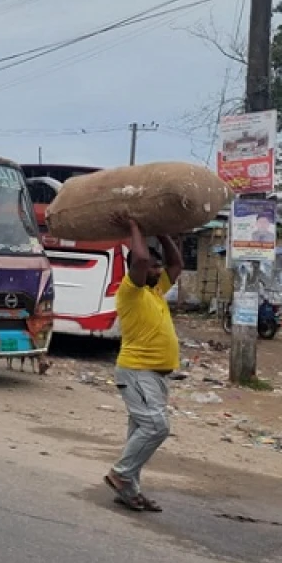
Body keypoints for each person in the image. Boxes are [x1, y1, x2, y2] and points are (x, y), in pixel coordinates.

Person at [103, 218, 182, 513]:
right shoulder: (131, 290)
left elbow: (176, 264)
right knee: (156, 426)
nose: (157, 270)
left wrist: (161, 230)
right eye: (152, 267)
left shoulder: (155, 290)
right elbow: (140, 257)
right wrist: (136, 225)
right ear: (136, 270)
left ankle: (130, 490)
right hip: (137, 371)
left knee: (140, 430)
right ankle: (121, 475)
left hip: (156, 376)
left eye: (157, 267)